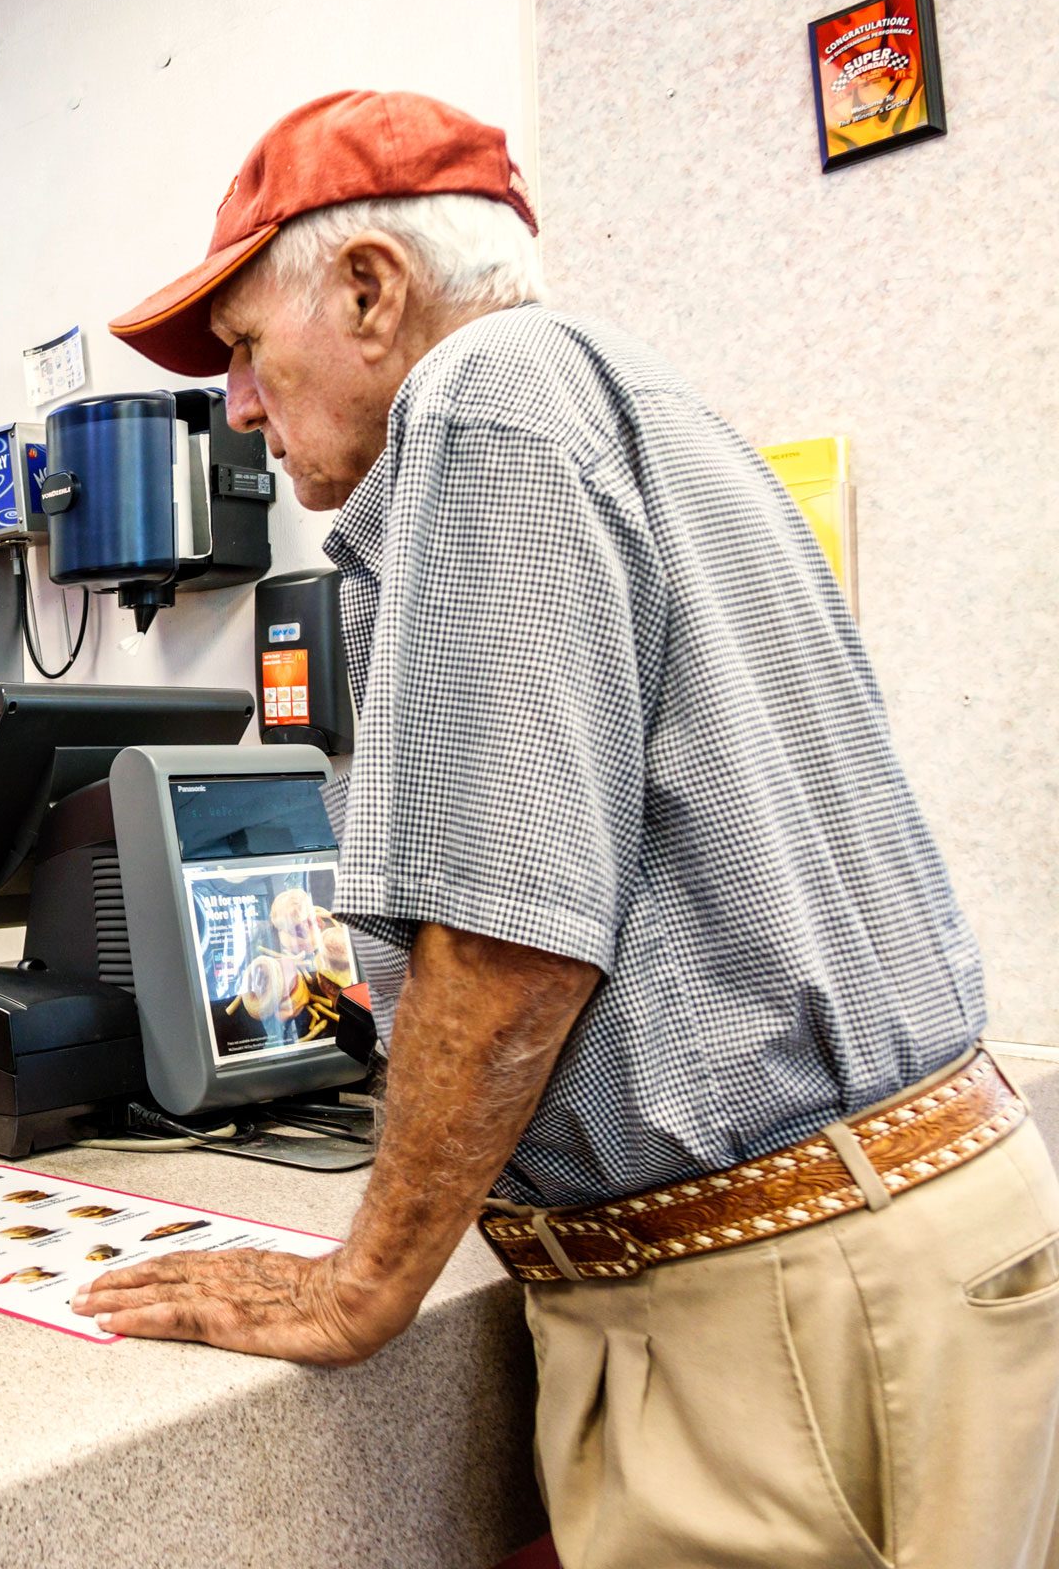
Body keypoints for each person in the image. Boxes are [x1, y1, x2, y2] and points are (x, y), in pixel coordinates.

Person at [76, 91, 1059, 1568]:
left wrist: (363, 1282)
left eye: (239, 351)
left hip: (779, 1305)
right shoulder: (660, 411)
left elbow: (509, 937)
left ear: (369, 288)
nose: (238, 406)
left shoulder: (484, 396)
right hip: (897, 1244)